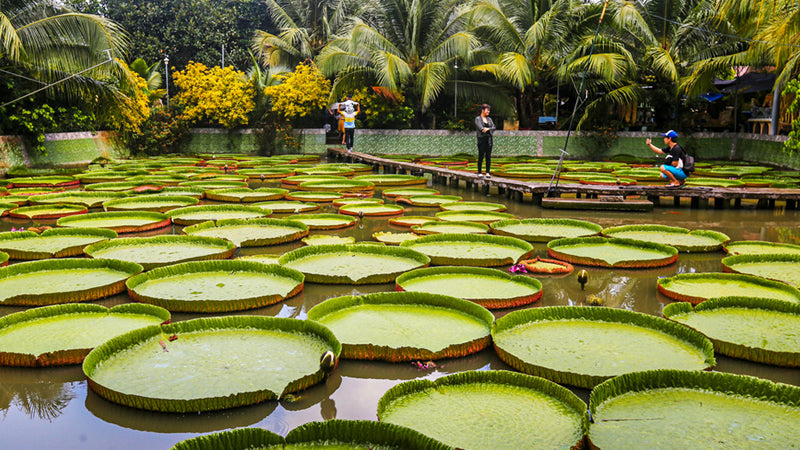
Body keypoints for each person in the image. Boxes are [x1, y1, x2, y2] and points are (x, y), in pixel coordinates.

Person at [474, 104, 496, 178]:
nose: (488, 112)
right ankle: (479, 172)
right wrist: (486, 129)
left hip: (489, 139)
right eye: (487, 110)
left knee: (488, 156)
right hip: (481, 139)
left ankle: (487, 172)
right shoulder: (478, 119)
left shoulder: (489, 119)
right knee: (481, 155)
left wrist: (488, 129)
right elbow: (481, 128)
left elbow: (493, 127)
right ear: (483, 110)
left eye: (489, 110)